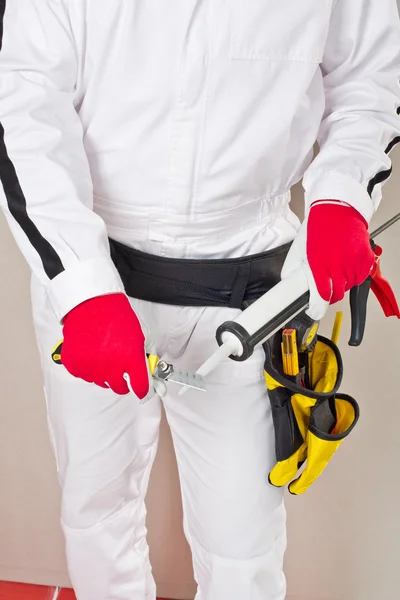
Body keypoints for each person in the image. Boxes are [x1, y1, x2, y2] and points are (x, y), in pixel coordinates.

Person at [1, 1, 399, 599]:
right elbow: (25, 106)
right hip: (95, 273)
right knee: (96, 511)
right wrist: (80, 287)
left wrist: (343, 196)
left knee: (245, 543)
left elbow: (370, 77)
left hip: (251, 284)